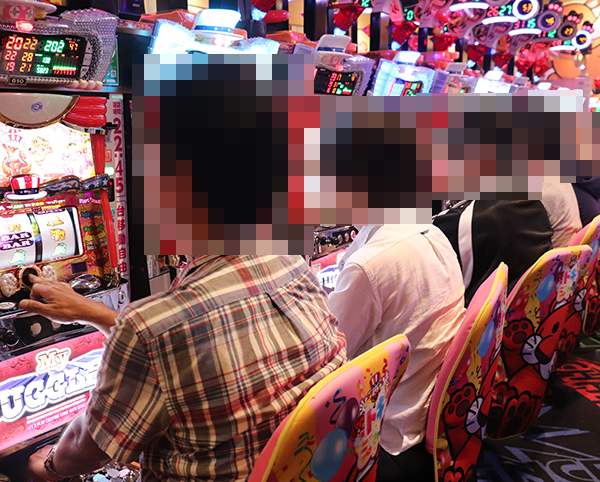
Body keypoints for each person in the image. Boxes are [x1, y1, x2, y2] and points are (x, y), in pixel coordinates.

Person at [25, 255, 347, 482]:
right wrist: (95, 312)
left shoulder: (150, 326)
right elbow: (188, 334)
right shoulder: (291, 264)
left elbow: (92, 447)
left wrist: (49, 466)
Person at [328, 225, 466, 482]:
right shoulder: (432, 232)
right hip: (440, 418)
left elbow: (328, 359)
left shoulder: (368, 266)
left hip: (391, 440)